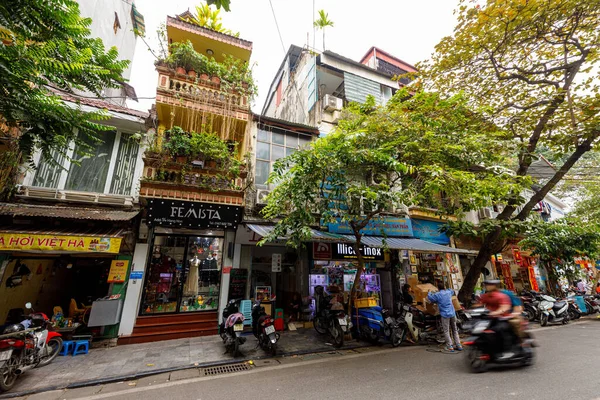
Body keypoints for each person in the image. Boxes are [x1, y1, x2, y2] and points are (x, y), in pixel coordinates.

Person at [480, 280, 513, 359]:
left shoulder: (501, 296)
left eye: (489, 285)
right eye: (486, 285)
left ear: (494, 286)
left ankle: (506, 351)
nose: (487, 286)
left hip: (501, 318)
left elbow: (505, 307)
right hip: (489, 319)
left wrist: (496, 312)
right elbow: (478, 305)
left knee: (499, 330)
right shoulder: (485, 296)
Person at [427, 282, 461, 352]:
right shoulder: (448, 292)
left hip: (445, 314)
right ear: (444, 287)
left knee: (446, 331)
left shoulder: (437, 294)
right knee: (454, 329)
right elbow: (452, 290)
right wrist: (447, 288)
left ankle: (450, 346)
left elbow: (430, 298)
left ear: (438, 288)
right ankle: (458, 345)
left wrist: (429, 292)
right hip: (452, 313)